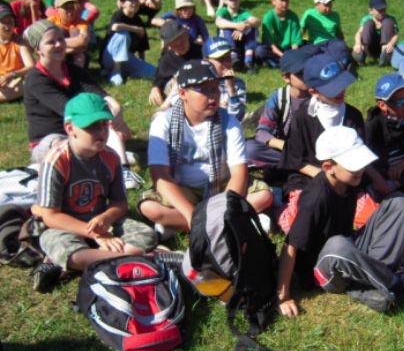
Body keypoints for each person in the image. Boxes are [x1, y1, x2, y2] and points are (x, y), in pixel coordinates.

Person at [277, 125, 404, 315]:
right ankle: (396, 283)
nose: (360, 169)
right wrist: (283, 296)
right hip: (324, 269)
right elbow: (290, 245)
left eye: (362, 162)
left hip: (350, 247)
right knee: (338, 244)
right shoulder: (316, 198)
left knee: (400, 202)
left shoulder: (351, 177)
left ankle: (375, 280)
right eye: (354, 164)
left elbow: (383, 188)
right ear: (328, 167)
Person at [30, 93, 157, 293]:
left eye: (104, 125)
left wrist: (106, 218)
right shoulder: (56, 161)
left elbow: (120, 204)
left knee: (147, 234)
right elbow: (51, 216)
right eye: (91, 127)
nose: (101, 132)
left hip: (100, 220)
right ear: (70, 128)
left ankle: (81, 263)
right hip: (65, 226)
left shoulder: (111, 158)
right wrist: (96, 234)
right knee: (63, 247)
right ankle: (136, 259)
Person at [138, 60, 272, 240]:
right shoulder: (163, 123)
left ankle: (178, 225)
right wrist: (191, 215)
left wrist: (224, 208)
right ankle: (226, 223)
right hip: (183, 187)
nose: (213, 96)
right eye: (204, 90)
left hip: (222, 186)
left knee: (264, 196)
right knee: (149, 208)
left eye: (215, 88)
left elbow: (239, 173)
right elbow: (160, 176)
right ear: (183, 93)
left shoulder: (229, 122)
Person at [22, 20, 143, 189]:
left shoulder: (73, 70)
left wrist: (115, 109)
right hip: (50, 138)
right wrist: (103, 116)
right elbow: (68, 109)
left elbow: (98, 93)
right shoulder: (35, 80)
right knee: (65, 147)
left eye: (60, 39)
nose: (58, 45)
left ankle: (123, 170)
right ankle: (107, 155)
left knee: (106, 124)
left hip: (81, 129)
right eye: (51, 42)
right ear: (38, 50)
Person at [277, 52, 365, 233]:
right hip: (309, 180)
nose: (340, 91)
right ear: (314, 92)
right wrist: (328, 177)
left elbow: (361, 155)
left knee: (365, 217)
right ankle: (280, 211)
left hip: (348, 181)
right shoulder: (302, 117)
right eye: (332, 89)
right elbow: (295, 160)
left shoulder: (353, 116)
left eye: (341, 85)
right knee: (303, 225)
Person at [246, 48, 313, 170]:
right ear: (287, 77)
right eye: (301, 73)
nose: (307, 76)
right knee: (249, 149)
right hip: (285, 149)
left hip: (313, 149)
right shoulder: (279, 97)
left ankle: (295, 165)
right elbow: (261, 133)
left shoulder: (319, 96)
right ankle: (300, 165)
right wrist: (285, 146)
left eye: (309, 71)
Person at [101, 0, 155, 86]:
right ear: (122, 3)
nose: (135, 3)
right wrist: (135, 29)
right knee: (123, 35)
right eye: (131, 0)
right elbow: (115, 27)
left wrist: (142, 63)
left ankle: (125, 72)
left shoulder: (138, 20)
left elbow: (142, 47)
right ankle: (115, 71)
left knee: (153, 72)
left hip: (127, 57)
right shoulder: (118, 15)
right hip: (109, 57)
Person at [148, 20, 201, 106]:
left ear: (186, 34)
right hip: (178, 94)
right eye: (175, 44)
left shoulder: (200, 51)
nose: (180, 45)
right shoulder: (166, 60)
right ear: (169, 45)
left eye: (182, 40)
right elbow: (159, 79)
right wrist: (155, 89)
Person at [214, 0, 260, 73]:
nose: (234, 0)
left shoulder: (243, 13)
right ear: (225, 0)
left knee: (252, 28)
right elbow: (218, 22)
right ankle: (233, 58)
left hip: (241, 41)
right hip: (226, 44)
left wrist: (244, 26)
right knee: (226, 29)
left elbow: (257, 21)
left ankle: (248, 61)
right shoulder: (223, 11)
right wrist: (237, 26)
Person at [256, 0, 302, 69]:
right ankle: (280, 62)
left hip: (288, 49)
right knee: (260, 50)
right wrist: (282, 55)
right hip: (274, 49)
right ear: (273, 1)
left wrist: (292, 54)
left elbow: (295, 42)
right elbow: (270, 43)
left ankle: (275, 63)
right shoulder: (268, 17)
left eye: (287, 0)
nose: (285, 3)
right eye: (282, 0)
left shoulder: (293, 17)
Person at [0, 2, 34, 102]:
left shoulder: (20, 43)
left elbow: (31, 66)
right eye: (4, 23)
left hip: (17, 78)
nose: (7, 26)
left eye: (10, 22)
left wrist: (11, 75)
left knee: (25, 84)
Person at [352, 0, 398, 67]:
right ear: (370, 11)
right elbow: (359, 33)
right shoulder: (366, 19)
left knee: (387, 22)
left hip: (385, 47)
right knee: (368, 23)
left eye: (384, 10)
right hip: (370, 46)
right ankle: (363, 53)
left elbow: (395, 35)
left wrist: (391, 44)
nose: (382, 12)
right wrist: (358, 44)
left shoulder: (391, 19)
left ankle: (385, 55)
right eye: (379, 10)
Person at [48, 0, 89, 68]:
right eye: (66, 8)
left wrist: (58, 44)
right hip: (59, 56)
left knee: (75, 31)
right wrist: (71, 48)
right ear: (57, 9)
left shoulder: (81, 21)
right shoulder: (51, 22)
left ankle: (77, 74)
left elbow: (83, 41)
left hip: (77, 56)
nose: (70, 11)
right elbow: (46, 43)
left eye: (72, 8)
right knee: (60, 30)